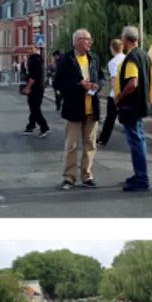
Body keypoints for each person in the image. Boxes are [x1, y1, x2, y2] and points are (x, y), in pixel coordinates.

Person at [53, 28, 103, 190]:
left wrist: (98, 85)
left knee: (90, 144)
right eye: (87, 39)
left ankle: (87, 176)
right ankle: (69, 177)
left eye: (90, 39)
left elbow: (101, 77)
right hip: (74, 108)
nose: (91, 42)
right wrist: (77, 85)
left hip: (92, 108)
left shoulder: (94, 58)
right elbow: (57, 83)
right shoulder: (66, 59)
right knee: (72, 145)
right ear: (77, 41)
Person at [113, 26, 152, 192]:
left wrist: (119, 96)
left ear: (124, 40)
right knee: (139, 139)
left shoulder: (131, 58)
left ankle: (142, 178)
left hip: (131, 106)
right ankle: (139, 174)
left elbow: (133, 82)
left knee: (136, 141)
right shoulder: (145, 55)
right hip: (141, 104)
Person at [97, 37, 125, 147]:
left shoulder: (113, 62)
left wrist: (117, 95)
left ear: (112, 49)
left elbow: (114, 79)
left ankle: (103, 140)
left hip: (116, 95)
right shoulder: (127, 58)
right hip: (128, 93)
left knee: (110, 119)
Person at [21, 46, 49, 137]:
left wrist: (27, 88)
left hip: (35, 88)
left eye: (31, 48)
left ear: (35, 50)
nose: (28, 50)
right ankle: (31, 125)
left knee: (35, 108)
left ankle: (44, 127)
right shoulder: (33, 60)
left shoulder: (35, 60)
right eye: (28, 49)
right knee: (33, 107)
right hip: (37, 87)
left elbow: (33, 76)